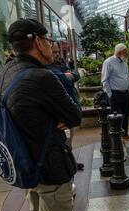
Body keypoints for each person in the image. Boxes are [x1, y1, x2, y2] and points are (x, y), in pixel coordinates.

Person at [0, 18, 82, 211]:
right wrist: (57, 116)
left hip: (22, 156)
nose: (51, 47)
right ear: (37, 42)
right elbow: (74, 115)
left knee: (36, 201)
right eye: (48, 41)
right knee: (56, 209)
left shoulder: (4, 71)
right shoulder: (41, 77)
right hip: (48, 159)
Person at [47, 42, 84, 171]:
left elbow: (76, 74)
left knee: (69, 141)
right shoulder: (47, 68)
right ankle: (69, 167)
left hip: (70, 107)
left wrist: (70, 74)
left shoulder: (60, 63)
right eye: (54, 52)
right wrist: (68, 76)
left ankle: (71, 163)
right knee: (65, 143)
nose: (57, 54)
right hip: (61, 112)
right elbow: (65, 80)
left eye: (58, 52)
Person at [101, 43, 129, 140]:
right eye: (126, 51)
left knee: (125, 114)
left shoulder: (124, 61)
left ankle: (124, 134)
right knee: (113, 116)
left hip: (125, 93)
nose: (127, 53)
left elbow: (126, 76)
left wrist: (128, 90)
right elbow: (104, 80)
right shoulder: (108, 62)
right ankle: (112, 137)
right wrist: (110, 94)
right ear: (120, 52)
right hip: (115, 94)